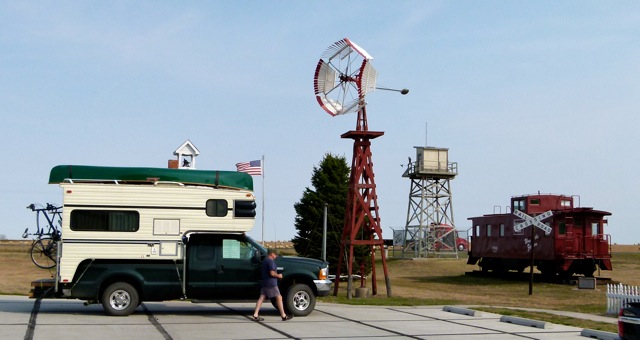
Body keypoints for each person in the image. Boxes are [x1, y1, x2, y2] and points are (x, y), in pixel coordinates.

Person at [252, 248, 292, 321]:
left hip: (265, 282)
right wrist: (279, 276)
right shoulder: (270, 261)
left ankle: (255, 314)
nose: (276, 255)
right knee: (279, 297)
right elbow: (272, 273)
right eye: (276, 254)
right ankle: (283, 316)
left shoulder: (265, 260)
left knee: (261, 298)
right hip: (271, 283)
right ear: (271, 254)